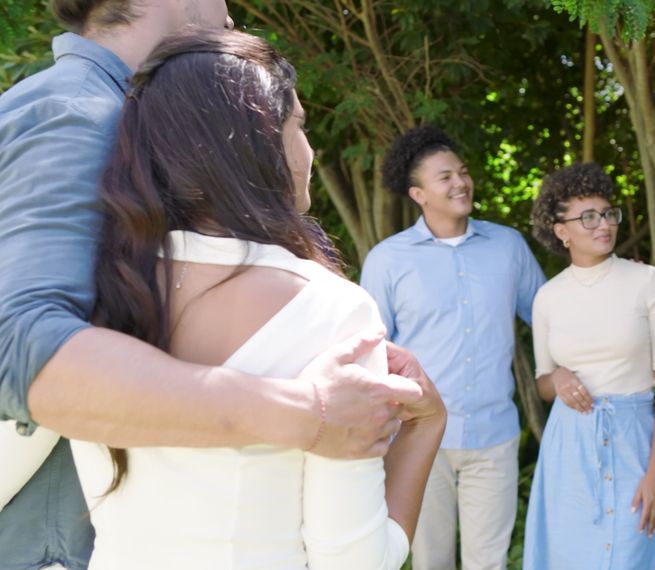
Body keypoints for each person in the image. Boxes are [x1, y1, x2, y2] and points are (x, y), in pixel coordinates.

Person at [0, 3, 419, 569]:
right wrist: (305, 411)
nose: (231, 13)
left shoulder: (90, 112)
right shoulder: (83, 112)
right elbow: (31, 355)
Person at [360, 125, 546, 570]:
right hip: (419, 437)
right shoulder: (388, 259)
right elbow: (372, 351)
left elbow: (550, 316)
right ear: (418, 193)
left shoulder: (508, 246)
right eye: (445, 176)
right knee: (430, 562)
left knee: (489, 564)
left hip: (494, 435)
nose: (460, 182)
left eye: (462, 172)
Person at [524, 163, 655, 569]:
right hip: (569, 445)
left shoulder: (647, 282)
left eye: (608, 213)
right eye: (588, 217)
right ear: (561, 230)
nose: (604, 225)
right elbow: (543, 382)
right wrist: (557, 377)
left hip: (635, 437)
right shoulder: (548, 297)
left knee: (634, 552)